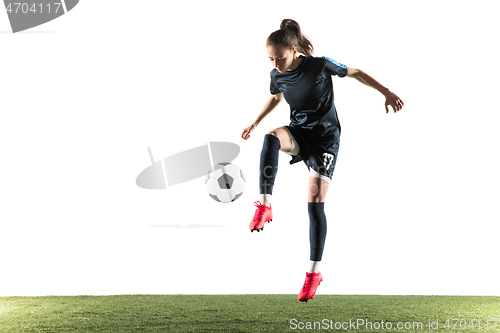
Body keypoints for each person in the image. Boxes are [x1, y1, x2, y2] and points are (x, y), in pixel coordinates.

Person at [241, 19, 404, 302]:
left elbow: (356, 73)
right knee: (270, 137)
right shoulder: (276, 75)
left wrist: (387, 92)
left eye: (280, 58)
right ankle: (265, 205)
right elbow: (277, 97)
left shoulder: (319, 65)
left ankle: (314, 273)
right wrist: (255, 122)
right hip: (299, 133)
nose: (276, 64)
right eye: (271, 59)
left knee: (314, 205)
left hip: (325, 141)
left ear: (294, 51)